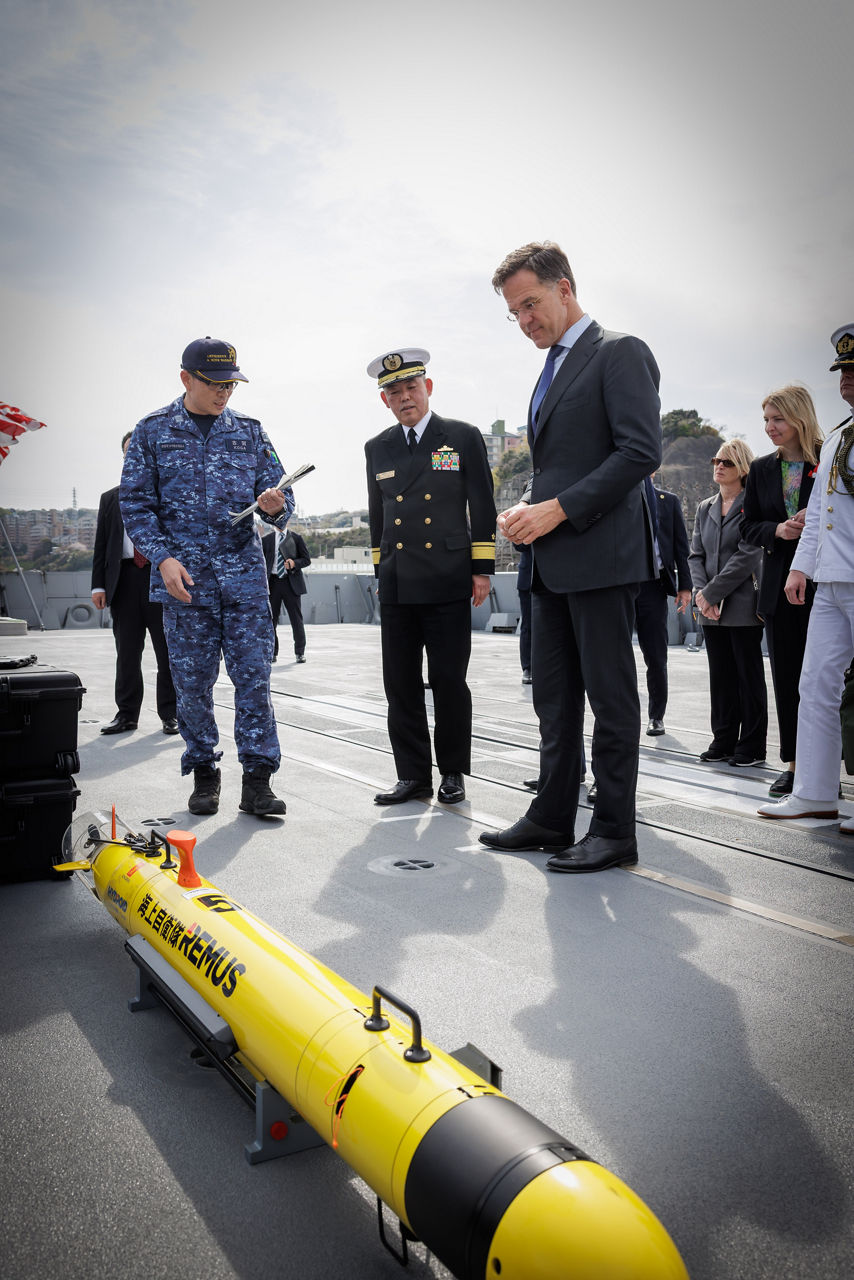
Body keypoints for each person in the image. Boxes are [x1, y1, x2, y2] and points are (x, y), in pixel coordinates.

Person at [479, 241, 661, 872]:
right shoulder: (551, 368)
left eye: (530, 303)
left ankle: (614, 830)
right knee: (553, 700)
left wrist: (556, 510)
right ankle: (553, 816)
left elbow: (639, 453)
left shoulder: (619, 352)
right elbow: (564, 463)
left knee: (611, 699)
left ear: (565, 288)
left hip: (601, 557)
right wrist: (526, 508)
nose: (525, 319)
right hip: (550, 561)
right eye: (514, 312)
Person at [120, 337, 294, 818]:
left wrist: (277, 507)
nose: (224, 394)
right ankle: (204, 774)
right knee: (192, 685)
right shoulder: (152, 432)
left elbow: (282, 497)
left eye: (231, 385)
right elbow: (134, 505)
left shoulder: (250, 432)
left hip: (243, 582)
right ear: (186, 379)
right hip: (185, 585)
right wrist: (161, 557)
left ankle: (258, 782)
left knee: (254, 681)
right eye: (214, 384)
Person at [365, 347, 496, 806]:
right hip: (399, 583)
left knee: (447, 680)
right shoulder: (377, 446)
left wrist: (482, 569)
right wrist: (381, 573)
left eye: (411, 388)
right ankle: (412, 775)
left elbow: (482, 505)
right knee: (399, 683)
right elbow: (377, 518)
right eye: (394, 392)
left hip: (447, 577)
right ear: (385, 400)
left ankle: (453, 772)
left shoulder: (459, 436)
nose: (405, 398)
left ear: (428, 388)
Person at [758, 324, 854, 828]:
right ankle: (814, 791)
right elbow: (817, 515)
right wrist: (799, 568)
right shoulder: (839, 437)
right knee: (814, 683)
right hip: (832, 582)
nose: (847, 383)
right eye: (843, 374)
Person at [741, 386, 823, 795]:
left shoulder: (830, 458)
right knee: (788, 677)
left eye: (777, 419)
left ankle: (828, 767)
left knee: (827, 681)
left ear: (799, 418)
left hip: (825, 586)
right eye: (766, 420)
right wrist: (777, 529)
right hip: (777, 586)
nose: (770, 427)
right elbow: (747, 525)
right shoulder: (759, 469)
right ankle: (793, 764)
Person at [92, 432, 177, 736]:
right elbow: (102, 545)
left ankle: (171, 714)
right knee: (127, 653)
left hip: (160, 578)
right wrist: (98, 586)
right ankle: (126, 715)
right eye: (130, 451)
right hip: (123, 581)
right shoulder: (110, 498)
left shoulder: (166, 493)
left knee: (167, 652)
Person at [689, 439, 767, 766]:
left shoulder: (755, 505)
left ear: (743, 469)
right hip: (710, 608)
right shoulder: (704, 507)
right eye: (716, 460)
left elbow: (748, 555)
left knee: (747, 676)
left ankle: (750, 746)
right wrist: (700, 593)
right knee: (720, 675)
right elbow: (696, 555)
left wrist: (711, 593)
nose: (719, 466)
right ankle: (723, 740)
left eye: (727, 462)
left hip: (743, 604)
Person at [636, 474, 692, 735]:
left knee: (656, 656)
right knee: (614, 655)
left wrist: (685, 586)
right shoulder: (617, 499)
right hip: (620, 586)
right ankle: (622, 717)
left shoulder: (668, 501)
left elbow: (682, 547)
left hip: (654, 586)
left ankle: (656, 716)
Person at [261, 523, 311, 662]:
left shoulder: (296, 538)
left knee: (296, 620)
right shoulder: (267, 540)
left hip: (291, 583)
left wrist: (295, 563)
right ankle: (273, 653)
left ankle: (300, 653)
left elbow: (306, 560)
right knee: (271, 621)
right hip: (273, 583)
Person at [515, 542, 533, 684]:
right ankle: (528, 668)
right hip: (528, 579)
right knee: (528, 626)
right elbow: (519, 545)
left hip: (557, 577)